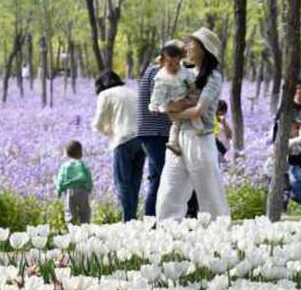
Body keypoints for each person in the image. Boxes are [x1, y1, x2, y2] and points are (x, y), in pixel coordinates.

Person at [156, 27, 230, 222]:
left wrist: (174, 112)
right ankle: (167, 235)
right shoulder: (184, 73)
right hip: (178, 137)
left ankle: (217, 235)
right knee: (170, 189)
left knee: (209, 192)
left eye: (193, 44)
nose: (187, 47)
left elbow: (199, 110)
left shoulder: (213, 77)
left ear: (204, 50)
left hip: (199, 138)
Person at [137, 41, 199, 218]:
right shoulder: (160, 73)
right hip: (156, 132)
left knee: (157, 180)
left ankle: (151, 222)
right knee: (172, 178)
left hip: (152, 132)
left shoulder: (155, 70)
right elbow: (161, 104)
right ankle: (177, 218)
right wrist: (184, 104)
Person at [92, 70, 143, 222]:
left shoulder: (105, 95)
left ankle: (128, 220)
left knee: (122, 183)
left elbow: (99, 123)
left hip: (123, 140)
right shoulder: (131, 91)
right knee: (135, 181)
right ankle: (133, 219)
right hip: (142, 139)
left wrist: (107, 131)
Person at [149, 44, 207, 155]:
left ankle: (199, 129)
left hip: (187, 98)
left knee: (195, 109)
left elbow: (192, 82)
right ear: (162, 62)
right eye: (170, 64)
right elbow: (157, 96)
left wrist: (192, 87)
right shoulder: (161, 78)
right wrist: (154, 107)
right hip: (173, 103)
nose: (174, 67)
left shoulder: (183, 71)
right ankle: (173, 142)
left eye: (176, 63)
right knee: (176, 123)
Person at [55, 140, 93, 224]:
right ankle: (85, 227)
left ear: (67, 154)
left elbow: (60, 179)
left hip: (69, 191)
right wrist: (89, 188)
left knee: (69, 211)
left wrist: (59, 190)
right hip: (82, 190)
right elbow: (88, 176)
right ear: (81, 153)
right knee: (84, 211)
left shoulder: (65, 166)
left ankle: (71, 228)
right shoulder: (82, 164)